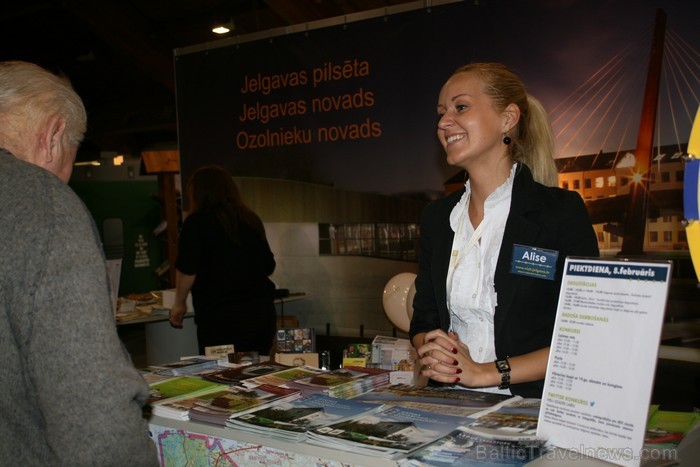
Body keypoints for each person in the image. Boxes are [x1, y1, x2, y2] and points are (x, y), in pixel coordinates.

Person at [409, 63, 599, 398]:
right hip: (451, 406)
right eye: (441, 112)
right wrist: (433, 347)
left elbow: (582, 336)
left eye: (460, 107)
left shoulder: (559, 213)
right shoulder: (437, 219)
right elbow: (424, 318)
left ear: (508, 119)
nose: (443, 122)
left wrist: (485, 374)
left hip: (531, 409)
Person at [0, 61, 157, 464]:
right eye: (67, 166)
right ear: (52, 137)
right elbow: (90, 406)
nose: (63, 181)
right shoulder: (41, 203)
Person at [170, 165, 277, 356]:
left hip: (219, 318)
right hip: (260, 314)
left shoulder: (196, 223)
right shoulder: (250, 219)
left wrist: (179, 303)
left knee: (221, 375)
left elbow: (187, 270)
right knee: (256, 373)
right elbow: (268, 266)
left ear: (198, 193)